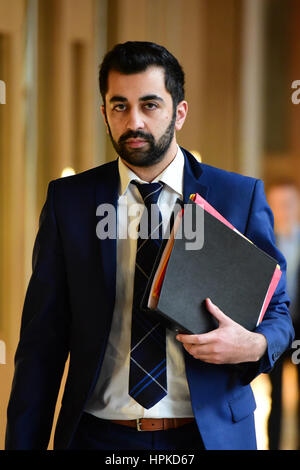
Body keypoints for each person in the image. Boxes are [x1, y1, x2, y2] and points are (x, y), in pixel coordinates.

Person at [5, 41, 294, 451]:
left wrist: (255, 344)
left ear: (180, 112)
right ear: (104, 113)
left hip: (207, 437)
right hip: (99, 438)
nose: (134, 120)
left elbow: (278, 310)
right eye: (119, 106)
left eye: (150, 105)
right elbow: (41, 346)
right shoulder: (69, 203)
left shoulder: (237, 197)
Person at [267, 180, 300, 450]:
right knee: (275, 394)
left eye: (288, 203)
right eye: (276, 204)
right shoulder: (263, 243)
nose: (282, 209)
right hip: (274, 331)